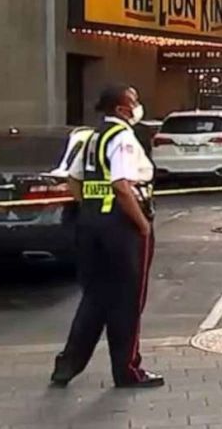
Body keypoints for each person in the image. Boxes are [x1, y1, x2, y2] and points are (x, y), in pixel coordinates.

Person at [51, 84, 164, 389]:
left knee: (95, 298)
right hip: (122, 227)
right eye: (133, 100)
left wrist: (90, 208)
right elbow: (122, 186)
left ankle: (68, 365)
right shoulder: (123, 138)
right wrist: (142, 225)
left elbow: (73, 179)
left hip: (90, 226)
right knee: (128, 300)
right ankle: (127, 370)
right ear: (120, 109)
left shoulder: (90, 138)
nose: (137, 105)